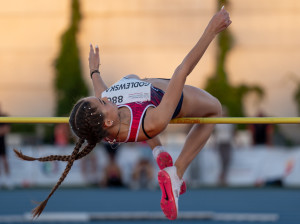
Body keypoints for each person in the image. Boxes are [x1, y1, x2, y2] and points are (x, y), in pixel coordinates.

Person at [14, 7, 231, 219]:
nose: (105, 97)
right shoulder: (152, 122)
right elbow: (181, 71)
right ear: (107, 120)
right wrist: (211, 30)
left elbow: (101, 90)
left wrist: (94, 70)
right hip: (165, 98)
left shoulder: (108, 118)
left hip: (138, 98)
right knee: (215, 110)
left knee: (129, 78)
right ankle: (176, 174)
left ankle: (158, 151)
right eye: (101, 102)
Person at [214, 106, 235, 186]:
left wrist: (237, 142)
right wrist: (214, 143)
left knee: (227, 159)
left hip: (227, 142)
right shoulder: (218, 122)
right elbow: (216, 134)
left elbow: (233, 133)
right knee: (222, 160)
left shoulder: (229, 122)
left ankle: (222, 176)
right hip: (221, 143)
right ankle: (222, 177)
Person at [0, 104, 11, 189]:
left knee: (4, 160)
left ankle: (8, 180)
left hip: (1, 142)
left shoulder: (4, 117)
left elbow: (6, 129)